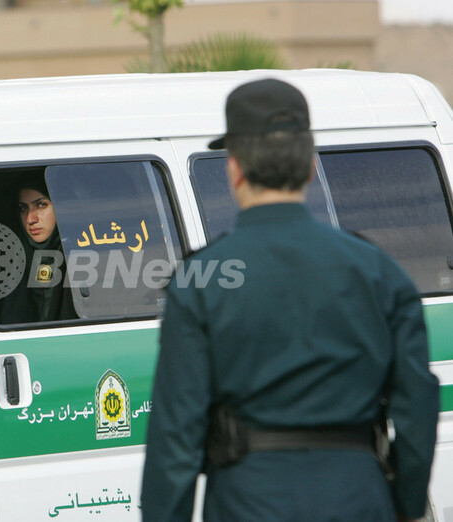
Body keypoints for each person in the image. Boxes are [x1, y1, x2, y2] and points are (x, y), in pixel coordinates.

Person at [141, 79, 439, 522]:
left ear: (234, 170)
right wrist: (407, 503)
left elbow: (175, 437)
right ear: (309, 168)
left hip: (247, 502)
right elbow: (417, 404)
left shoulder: (200, 279)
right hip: (359, 497)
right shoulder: (379, 271)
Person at [0, 172, 76, 324]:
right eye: (23, 208)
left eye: (41, 205)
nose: (30, 219)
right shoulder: (10, 260)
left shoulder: (82, 256)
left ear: (60, 206)